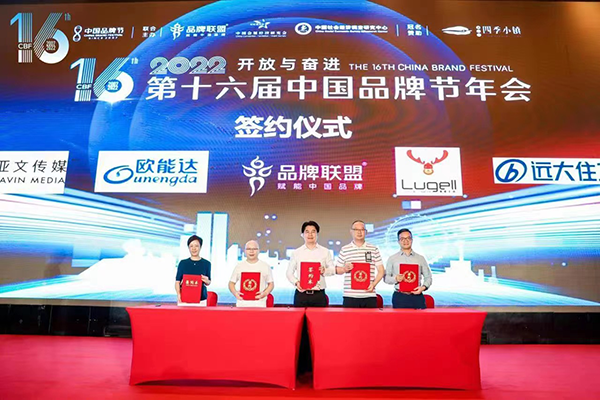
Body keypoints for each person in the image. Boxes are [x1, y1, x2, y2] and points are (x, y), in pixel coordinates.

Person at [335, 220, 385, 308]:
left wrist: (373, 284)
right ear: (351, 231)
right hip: (350, 295)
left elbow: (381, 271)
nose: (359, 232)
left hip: (369, 295)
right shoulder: (345, 249)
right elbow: (337, 270)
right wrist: (344, 269)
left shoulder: (373, 249)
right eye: (356, 230)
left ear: (366, 232)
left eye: (362, 229)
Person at [286, 221, 335, 307]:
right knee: (300, 316)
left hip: (319, 295)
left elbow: (333, 269)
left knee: (319, 316)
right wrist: (296, 282)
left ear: (317, 234)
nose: (310, 234)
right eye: (307, 232)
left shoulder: (325, 252)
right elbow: (289, 273)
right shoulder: (296, 252)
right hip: (301, 294)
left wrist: (324, 271)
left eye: (313, 231)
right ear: (302, 235)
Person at [384, 228, 432, 309]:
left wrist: (423, 288)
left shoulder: (420, 258)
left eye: (408, 238)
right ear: (398, 241)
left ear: (412, 240)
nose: (405, 241)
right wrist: (396, 279)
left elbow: (428, 277)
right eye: (402, 239)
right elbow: (386, 278)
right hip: (400, 297)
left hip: (417, 297)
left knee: (420, 317)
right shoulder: (392, 258)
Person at [229, 240, 274, 307]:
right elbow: (231, 283)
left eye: (254, 249)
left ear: (258, 251)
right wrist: (235, 293)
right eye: (249, 249)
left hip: (259, 305)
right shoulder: (239, 266)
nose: (251, 251)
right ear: (245, 251)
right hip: (242, 304)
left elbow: (271, 284)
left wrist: (265, 293)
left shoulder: (265, 266)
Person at [175, 235, 211, 305]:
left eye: (196, 246)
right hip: (184, 299)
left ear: (200, 247)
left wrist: (206, 280)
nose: (194, 248)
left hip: (201, 299)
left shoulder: (206, 263)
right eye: (191, 246)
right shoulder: (183, 263)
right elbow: (177, 281)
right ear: (188, 248)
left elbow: (208, 282)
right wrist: (179, 294)